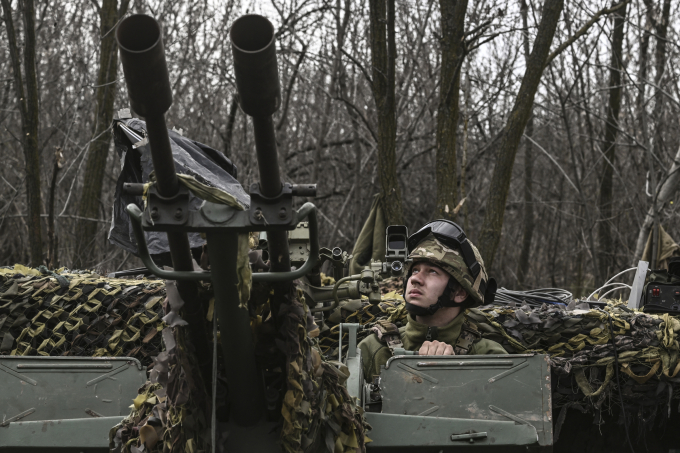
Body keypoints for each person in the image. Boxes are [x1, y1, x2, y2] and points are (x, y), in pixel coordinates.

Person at [359, 220, 507, 381]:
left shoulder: (489, 356)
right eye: (415, 270)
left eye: (432, 272)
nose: (416, 279)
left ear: (460, 293)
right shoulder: (373, 349)